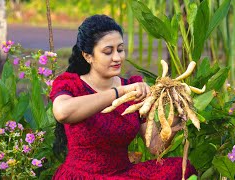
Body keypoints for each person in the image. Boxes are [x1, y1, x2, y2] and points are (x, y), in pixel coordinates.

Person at [50, 14, 196, 180]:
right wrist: (120, 92)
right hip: (81, 175)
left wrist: (176, 117)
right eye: (108, 52)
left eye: (120, 49)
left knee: (180, 168)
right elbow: (62, 112)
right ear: (87, 56)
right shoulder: (71, 84)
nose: (117, 58)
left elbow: (155, 147)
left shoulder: (132, 87)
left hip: (121, 174)